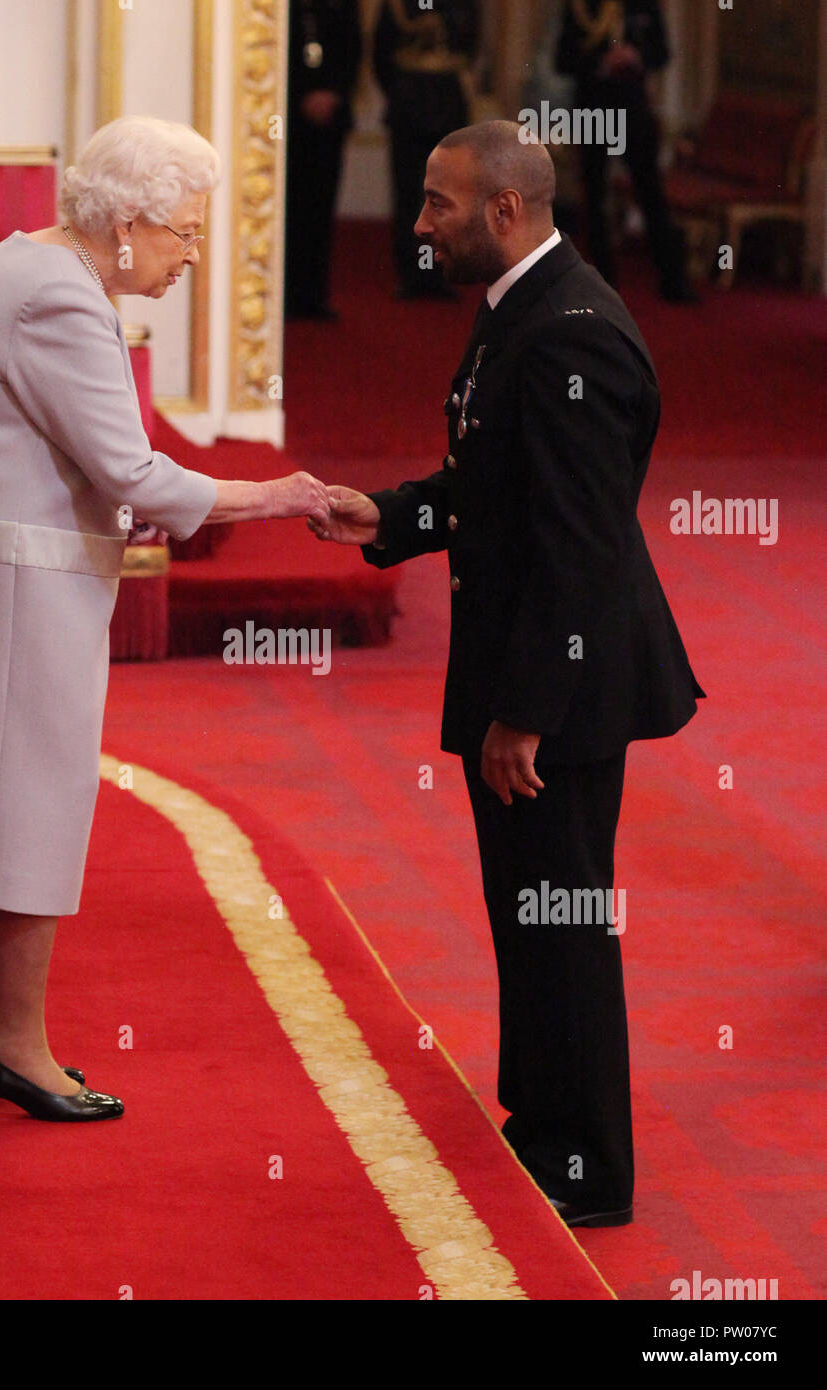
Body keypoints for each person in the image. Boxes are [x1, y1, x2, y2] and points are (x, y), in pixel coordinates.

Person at [0, 116, 331, 1123]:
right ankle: (16, 1045)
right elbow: (134, 476)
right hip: (14, 586)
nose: (193, 256)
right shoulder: (61, 299)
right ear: (123, 223)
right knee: (24, 805)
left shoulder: (23, 266)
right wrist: (279, 495)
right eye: (183, 233)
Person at [311, 120, 703, 1226]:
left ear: (502, 212)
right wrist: (383, 515)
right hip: (535, 671)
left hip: (563, 690)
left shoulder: (571, 333)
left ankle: (586, 1165)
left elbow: (577, 544)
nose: (417, 222)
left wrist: (524, 713)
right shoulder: (520, 310)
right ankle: (540, 1123)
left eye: (436, 204)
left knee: (561, 917)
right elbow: (493, 481)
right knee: (527, 908)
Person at [555, 0, 696, 302]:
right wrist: (601, 63)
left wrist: (636, 56)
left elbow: (662, 53)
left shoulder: (644, 6)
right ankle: (601, 281)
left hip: (633, 109)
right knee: (594, 196)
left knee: (651, 192)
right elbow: (562, 60)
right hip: (593, 108)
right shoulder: (581, 7)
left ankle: (672, 280)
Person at [373, 0, 480, 299]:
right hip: (409, 102)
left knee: (448, 196)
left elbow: (471, 45)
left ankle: (442, 272)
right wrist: (399, 93)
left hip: (448, 105)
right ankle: (413, 274)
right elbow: (382, 55)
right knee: (410, 194)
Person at [284, 0, 362, 320]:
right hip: (288, 122)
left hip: (330, 120)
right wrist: (301, 95)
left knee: (320, 207)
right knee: (287, 207)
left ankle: (313, 294)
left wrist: (333, 94)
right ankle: (284, 294)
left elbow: (353, 49)